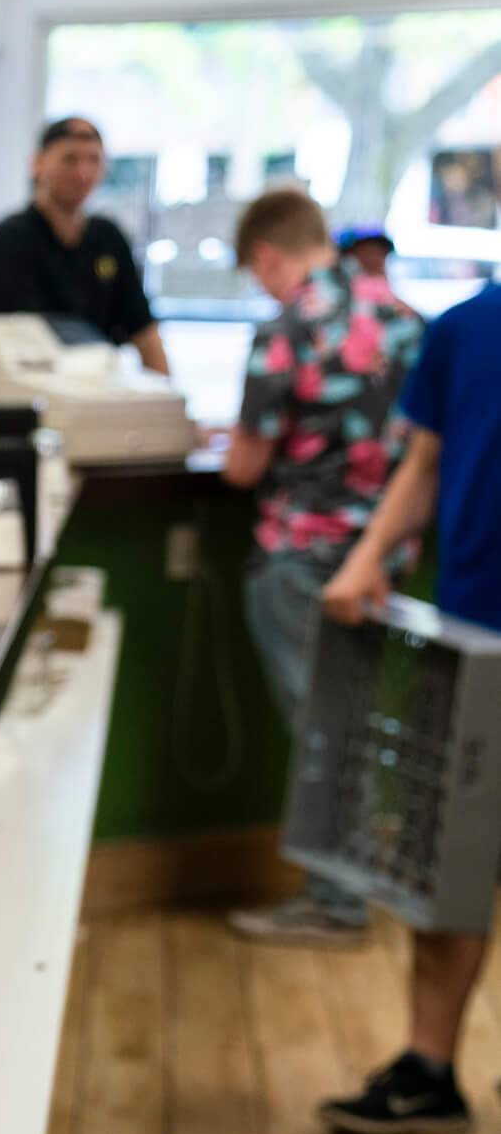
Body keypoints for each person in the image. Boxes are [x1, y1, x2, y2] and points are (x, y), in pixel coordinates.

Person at [313, 273, 501, 1134]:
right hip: (474, 632)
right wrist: (368, 555)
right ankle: (430, 1070)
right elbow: (425, 462)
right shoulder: (462, 328)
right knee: (452, 863)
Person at [221, 190, 424, 947]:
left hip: (301, 557)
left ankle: (337, 902)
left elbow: (245, 465)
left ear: (269, 255)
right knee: (352, 718)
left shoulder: (286, 329)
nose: (262, 285)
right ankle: (362, 882)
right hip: (382, 558)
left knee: (321, 727)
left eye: (257, 272)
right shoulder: (403, 316)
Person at [0, 117, 170, 375]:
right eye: (70, 159)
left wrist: (170, 402)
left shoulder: (109, 238)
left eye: (93, 160)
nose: (82, 173)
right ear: (38, 163)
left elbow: (144, 330)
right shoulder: (7, 240)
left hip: (100, 382)